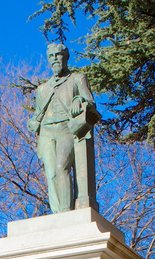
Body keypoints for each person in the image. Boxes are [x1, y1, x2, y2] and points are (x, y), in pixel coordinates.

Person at [28, 43, 101, 213]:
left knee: (62, 167)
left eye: (58, 55)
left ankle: (65, 212)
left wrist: (79, 100)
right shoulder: (42, 89)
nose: (55, 59)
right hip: (46, 131)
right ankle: (57, 213)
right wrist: (32, 123)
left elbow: (90, 102)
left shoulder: (77, 78)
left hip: (66, 128)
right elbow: (38, 114)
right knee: (51, 173)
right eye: (51, 56)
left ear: (66, 57)